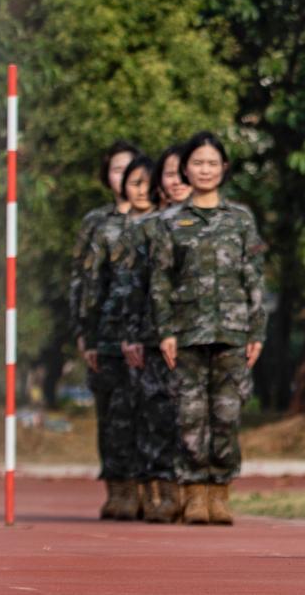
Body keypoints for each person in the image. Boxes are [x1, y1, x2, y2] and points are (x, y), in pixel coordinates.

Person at [150, 132, 266, 525]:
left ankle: (221, 492)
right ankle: (194, 493)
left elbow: (254, 277)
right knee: (189, 415)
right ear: (185, 169)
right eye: (197, 163)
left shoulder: (240, 219)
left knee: (227, 414)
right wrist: (165, 330)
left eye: (212, 163)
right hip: (185, 332)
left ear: (224, 169)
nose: (204, 169)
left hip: (233, 332)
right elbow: (161, 280)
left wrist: (257, 331)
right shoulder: (169, 222)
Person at [113, 147, 186, 523]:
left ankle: (198, 494)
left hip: (196, 336)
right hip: (151, 337)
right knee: (155, 416)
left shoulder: (213, 224)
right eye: (169, 174)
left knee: (192, 417)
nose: (175, 181)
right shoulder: (146, 230)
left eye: (181, 173)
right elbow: (131, 288)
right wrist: (130, 334)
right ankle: (160, 494)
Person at [77, 143, 144, 520]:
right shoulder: (97, 223)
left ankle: (147, 488)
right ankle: (118, 488)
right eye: (118, 169)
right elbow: (84, 281)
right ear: (107, 175)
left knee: (144, 413)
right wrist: (83, 330)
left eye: (133, 170)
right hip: (105, 333)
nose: (125, 177)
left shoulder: (157, 217)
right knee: (112, 414)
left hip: (143, 333)